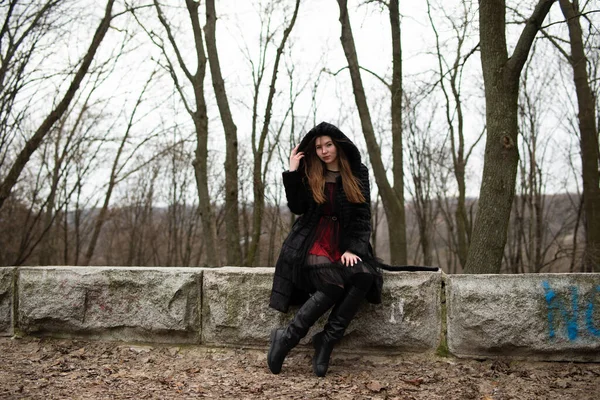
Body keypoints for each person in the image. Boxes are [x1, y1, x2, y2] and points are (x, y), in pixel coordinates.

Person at [267, 122, 382, 377]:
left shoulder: (357, 172)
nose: (324, 150)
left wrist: (354, 248)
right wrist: (293, 171)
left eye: (328, 145)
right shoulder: (310, 170)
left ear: (338, 145)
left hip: (344, 242)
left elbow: (363, 215)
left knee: (363, 275)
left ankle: (327, 340)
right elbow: (297, 207)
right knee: (331, 285)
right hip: (312, 239)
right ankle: (287, 338)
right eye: (318, 147)